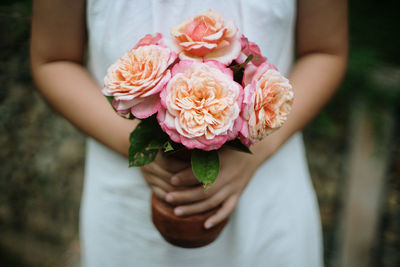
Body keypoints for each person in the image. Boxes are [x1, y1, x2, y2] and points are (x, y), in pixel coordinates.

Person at [30, 0, 348, 266]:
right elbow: (53, 59)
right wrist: (136, 144)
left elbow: (325, 50)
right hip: (128, 210)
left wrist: (256, 152)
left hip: (267, 204)